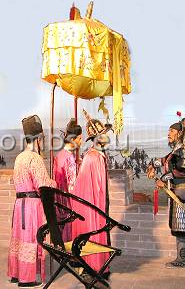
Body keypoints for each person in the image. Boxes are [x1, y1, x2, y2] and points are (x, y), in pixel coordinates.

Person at [7, 115, 56, 288]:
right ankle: (27, 278)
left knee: (20, 239)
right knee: (31, 239)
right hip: (31, 206)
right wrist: (54, 183)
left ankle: (16, 273)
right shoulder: (35, 158)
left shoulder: (19, 157)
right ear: (39, 138)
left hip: (19, 204)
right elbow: (42, 184)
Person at [147, 115, 185, 268]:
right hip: (178, 194)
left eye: (171, 131)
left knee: (183, 227)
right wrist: (152, 164)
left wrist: (163, 178)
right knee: (178, 226)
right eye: (168, 130)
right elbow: (165, 160)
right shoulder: (177, 149)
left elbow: (184, 171)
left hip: (184, 195)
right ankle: (183, 258)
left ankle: (183, 260)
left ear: (180, 133)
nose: (168, 134)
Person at [71, 111, 112, 280]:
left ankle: (99, 265)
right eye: (103, 136)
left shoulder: (94, 156)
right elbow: (96, 188)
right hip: (92, 205)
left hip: (94, 203)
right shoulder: (93, 158)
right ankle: (95, 266)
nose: (106, 138)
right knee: (95, 231)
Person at [53, 118, 82, 242]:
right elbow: (73, 186)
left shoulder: (59, 155)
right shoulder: (69, 158)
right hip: (67, 200)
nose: (81, 142)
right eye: (79, 138)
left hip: (57, 198)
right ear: (73, 139)